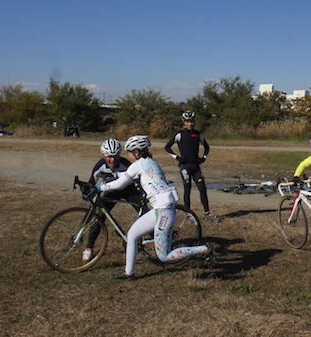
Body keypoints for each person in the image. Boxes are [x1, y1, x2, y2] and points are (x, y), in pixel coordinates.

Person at [93, 135, 214, 280]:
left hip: (164, 212)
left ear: (137, 152)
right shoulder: (150, 162)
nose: (128, 156)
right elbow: (129, 174)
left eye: (130, 153)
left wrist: (99, 187)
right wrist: (116, 174)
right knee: (131, 235)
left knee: (164, 256)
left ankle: (204, 249)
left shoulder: (138, 165)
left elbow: (120, 184)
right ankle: (128, 273)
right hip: (161, 210)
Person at [81, 138, 142, 261]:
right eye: (109, 156)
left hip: (129, 190)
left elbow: (139, 178)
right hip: (111, 192)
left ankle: (158, 238)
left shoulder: (126, 164)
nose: (112, 160)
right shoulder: (100, 165)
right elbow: (91, 182)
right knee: (99, 218)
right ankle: (89, 248)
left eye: (115, 156)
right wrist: (88, 191)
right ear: (104, 155)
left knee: (144, 212)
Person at [165, 111, 221, 222]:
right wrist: (177, 158)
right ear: (184, 122)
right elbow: (167, 147)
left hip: (196, 167)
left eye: (192, 121)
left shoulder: (198, 134)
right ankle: (188, 214)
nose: (190, 124)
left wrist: (204, 158)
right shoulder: (180, 134)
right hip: (185, 167)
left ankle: (207, 213)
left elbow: (207, 147)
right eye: (187, 122)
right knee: (187, 189)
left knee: (203, 189)